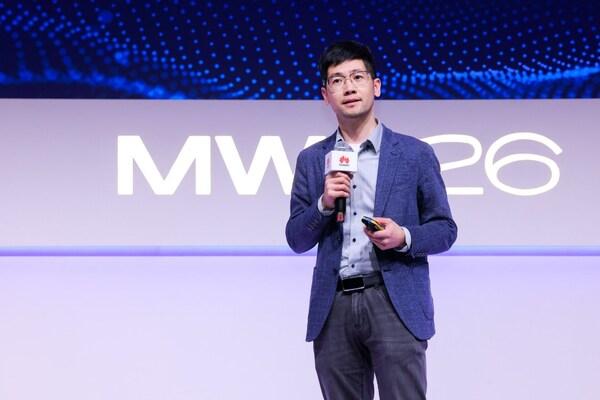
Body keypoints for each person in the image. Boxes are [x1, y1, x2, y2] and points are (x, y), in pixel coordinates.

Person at [285, 40, 457, 399]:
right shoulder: (312, 159)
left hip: (394, 300)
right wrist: (324, 204)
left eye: (357, 77)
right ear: (325, 95)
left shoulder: (414, 154)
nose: (348, 87)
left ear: (375, 86)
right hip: (333, 306)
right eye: (337, 80)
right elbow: (297, 238)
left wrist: (404, 237)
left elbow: (445, 229)